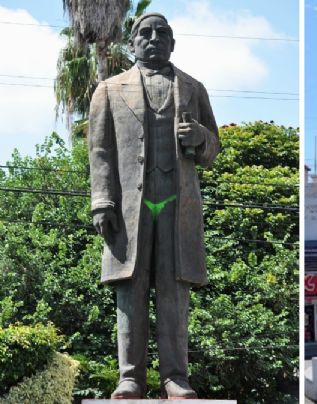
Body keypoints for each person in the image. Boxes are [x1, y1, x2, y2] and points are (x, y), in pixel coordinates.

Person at [88, 12, 220, 399]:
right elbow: (99, 150)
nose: (154, 38)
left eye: (162, 33)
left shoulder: (193, 88)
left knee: (173, 291)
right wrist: (101, 200)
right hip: (130, 208)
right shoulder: (109, 90)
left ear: (173, 43)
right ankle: (130, 377)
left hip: (177, 206)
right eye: (145, 33)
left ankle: (175, 377)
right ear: (133, 43)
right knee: (130, 289)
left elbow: (214, 148)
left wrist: (199, 137)